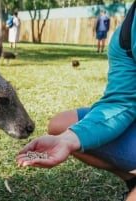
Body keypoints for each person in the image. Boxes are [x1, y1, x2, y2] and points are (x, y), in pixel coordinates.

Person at [16, 2, 136, 201]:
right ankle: (131, 180)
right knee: (62, 126)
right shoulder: (127, 31)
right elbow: (122, 100)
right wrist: (69, 139)